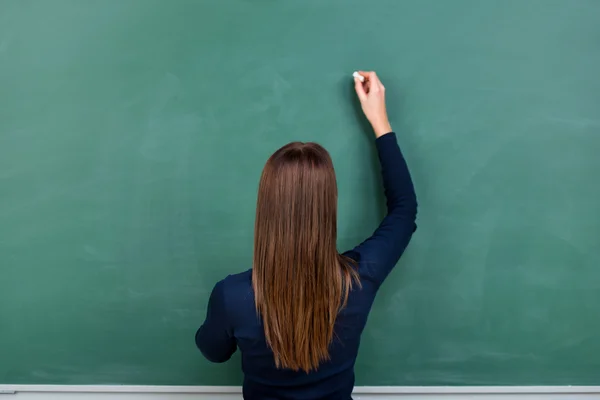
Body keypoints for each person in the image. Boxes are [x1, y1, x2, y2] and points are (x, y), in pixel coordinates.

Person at [195, 71, 418, 400]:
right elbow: (404, 210)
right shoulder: (359, 279)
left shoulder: (232, 295)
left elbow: (213, 351)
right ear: (327, 208)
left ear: (266, 208)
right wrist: (380, 121)